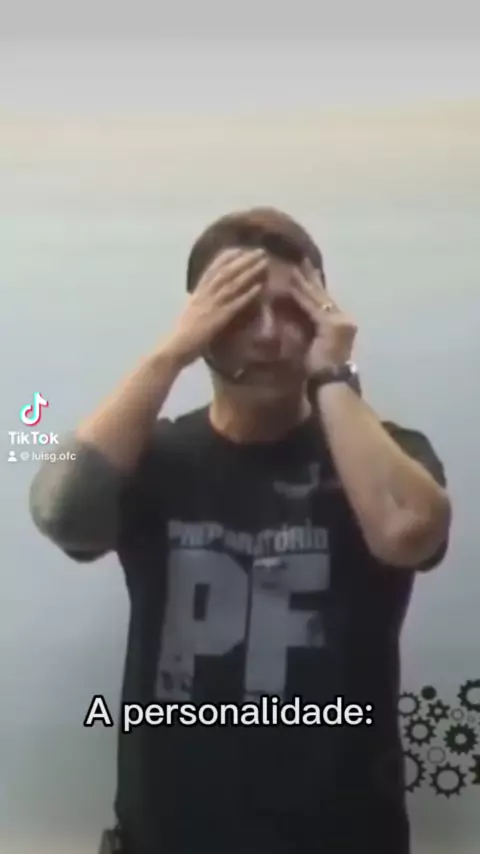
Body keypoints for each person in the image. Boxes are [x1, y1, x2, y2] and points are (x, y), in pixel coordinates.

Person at [29, 207, 451, 854]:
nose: (268, 334)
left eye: (292, 309)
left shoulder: (386, 455)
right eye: (239, 309)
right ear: (202, 319)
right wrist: (170, 352)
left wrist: (333, 377)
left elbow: (407, 533)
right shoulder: (155, 458)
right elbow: (61, 512)